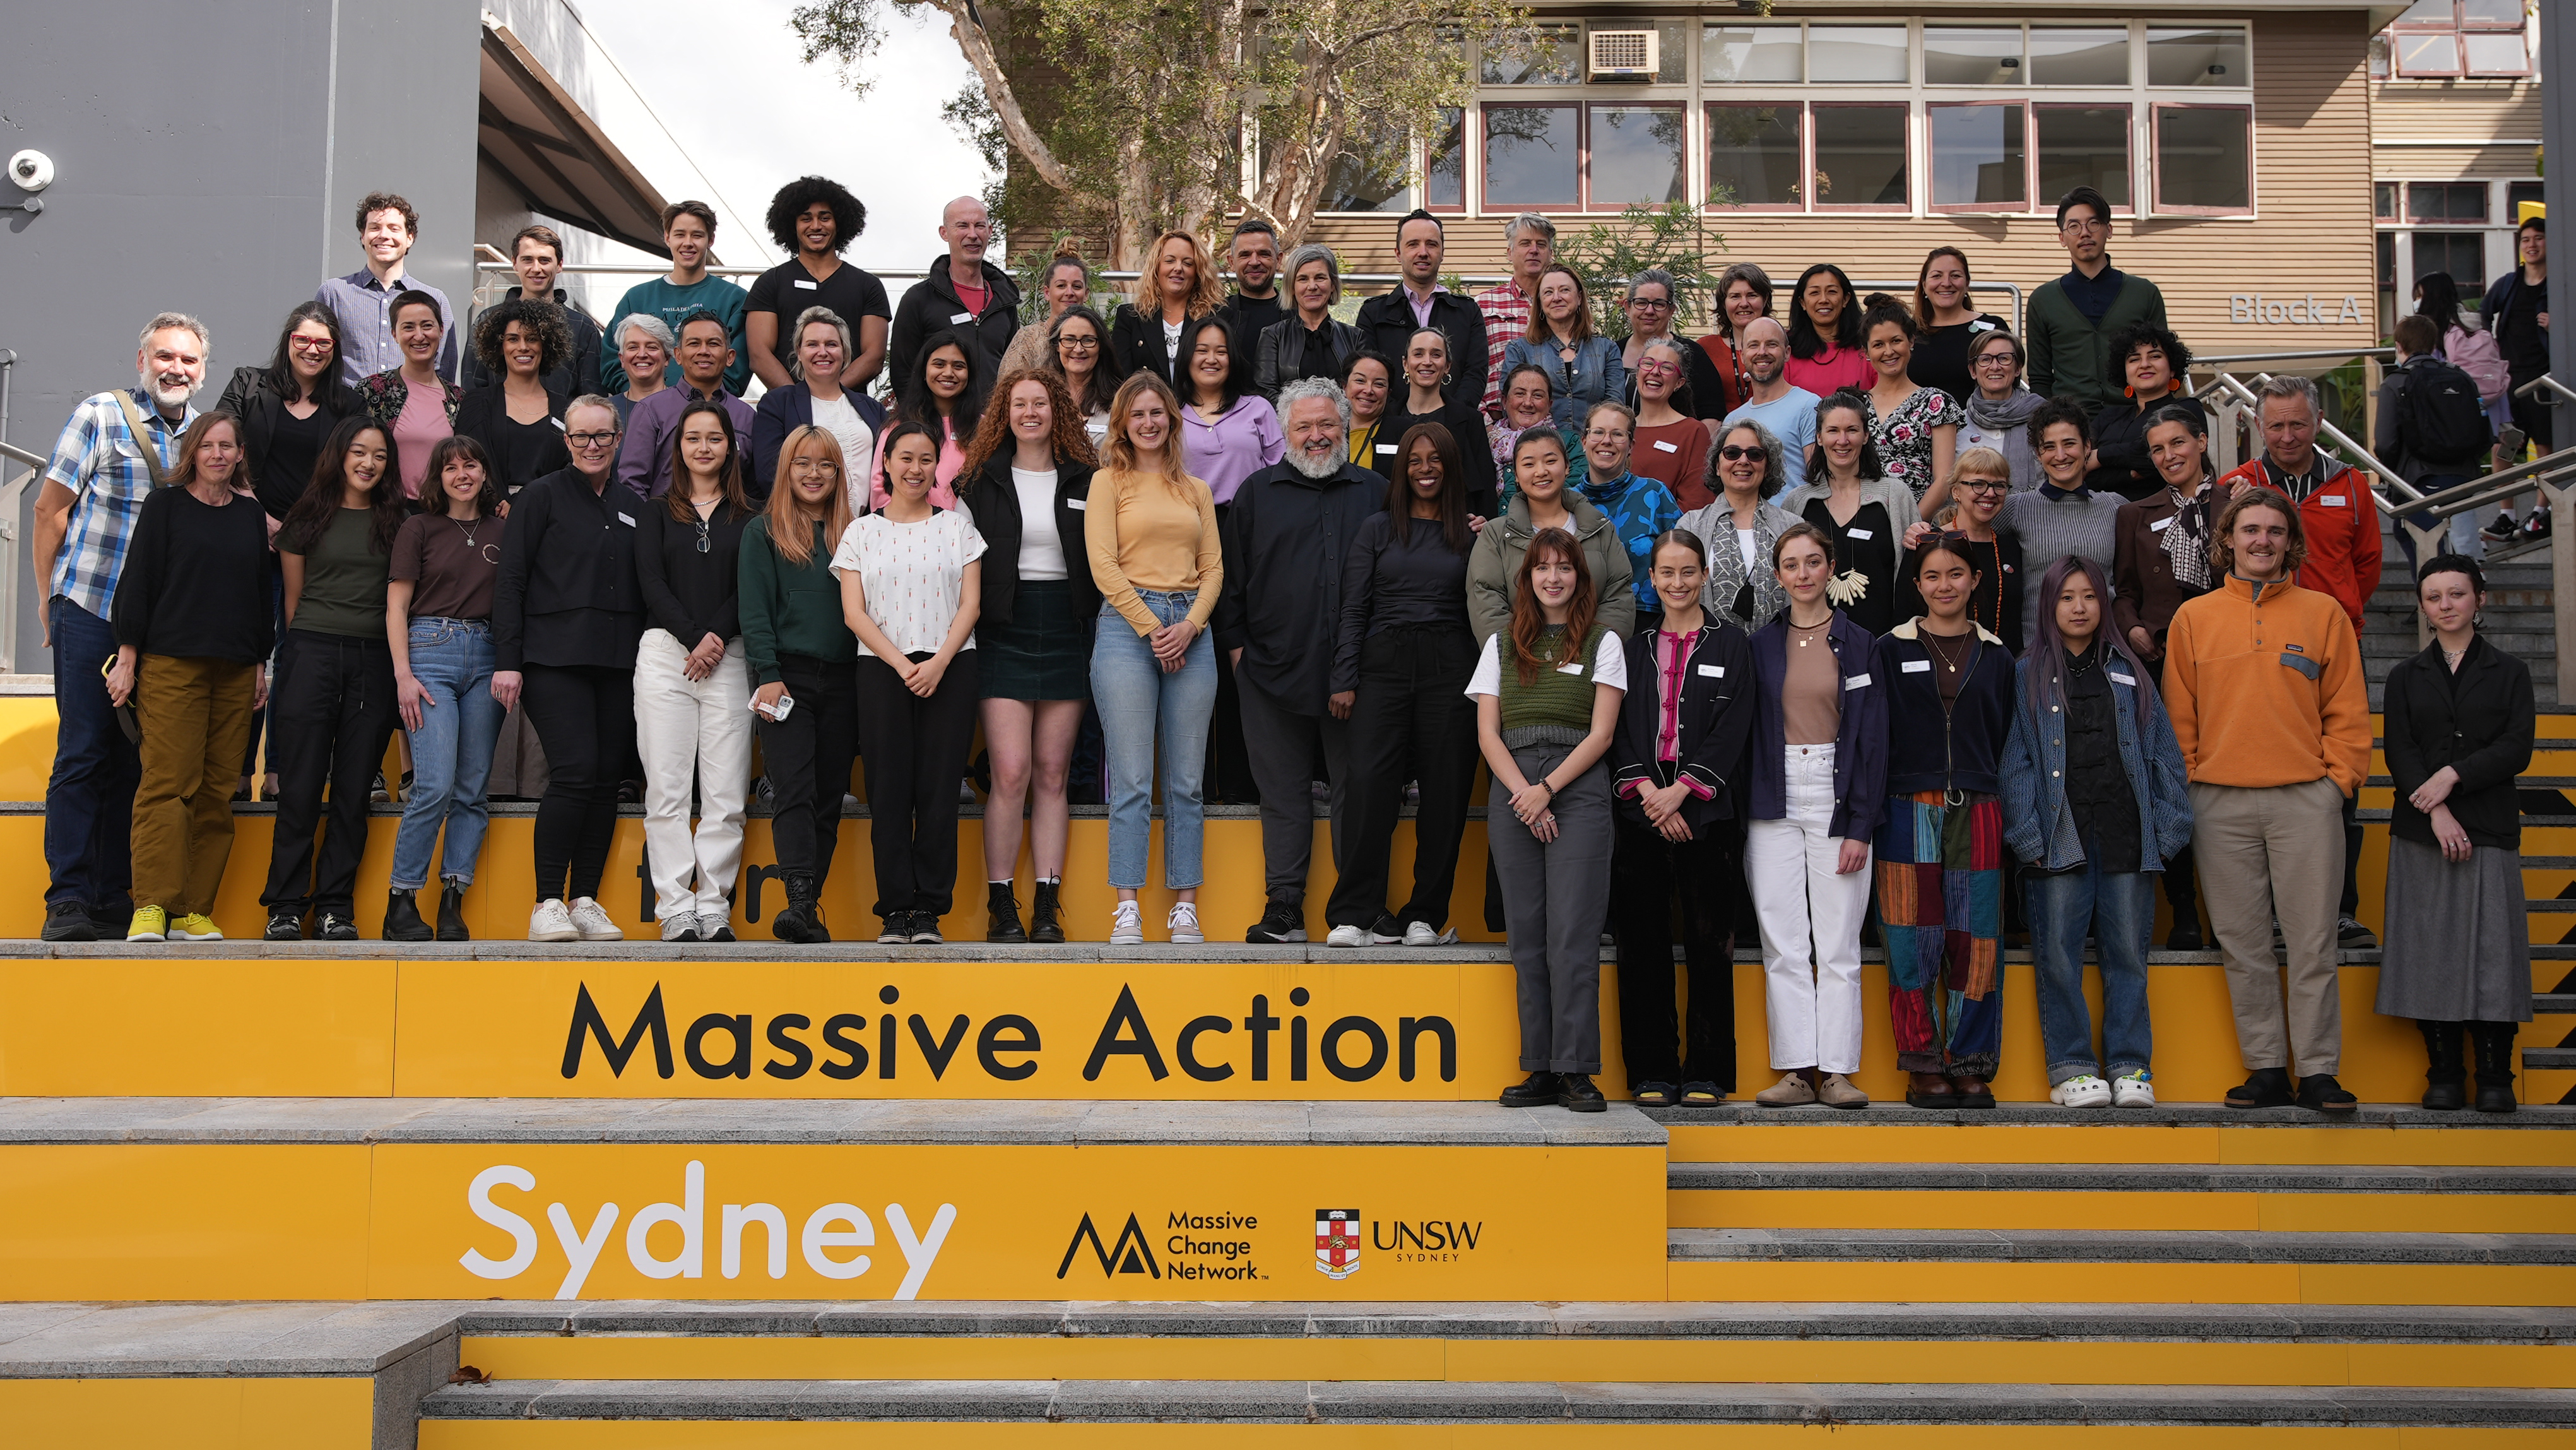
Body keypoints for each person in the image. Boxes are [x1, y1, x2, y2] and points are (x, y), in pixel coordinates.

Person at [2164, 487, 2372, 1114]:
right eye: (2249, 530)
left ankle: (2316, 1071)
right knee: (2243, 942)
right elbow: (2179, 716)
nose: (2261, 540)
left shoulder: (2323, 613)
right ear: (2225, 539)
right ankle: (2264, 1068)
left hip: (2304, 802)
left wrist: (2335, 782)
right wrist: (2195, 779)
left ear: (2289, 541)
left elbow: (2347, 712)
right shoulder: (2193, 618)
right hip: (2219, 804)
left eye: (2273, 531)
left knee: (2311, 942)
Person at [35, 314, 210, 941]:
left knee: (140, 762)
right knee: (83, 753)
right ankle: (70, 898)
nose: (176, 369)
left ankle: (114, 895)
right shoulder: (100, 415)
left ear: (202, 370)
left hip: (162, 628)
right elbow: (50, 510)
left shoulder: (205, 437)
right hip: (90, 607)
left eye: (188, 361)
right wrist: (47, 597)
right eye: (165, 356)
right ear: (142, 361)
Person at [2001, 554, 2191, 1110]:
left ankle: (2132, 1064)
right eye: (2067, 597)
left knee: (2127, 956)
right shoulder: (2026, 670)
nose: (2079, 607)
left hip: (2128, 833)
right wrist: (2029, 837)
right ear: (2049, 604)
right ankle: (2074, 1067)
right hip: (2059, 837)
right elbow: (2015, 763)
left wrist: (2172, 825)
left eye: (2089, 596)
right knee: (2058, 957)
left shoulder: (2130, 667)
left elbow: (2163, 753)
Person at [2213, 374, 2384, 949]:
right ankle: (2271, 916)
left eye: (2299, 423)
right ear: (2259, 425)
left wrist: (2340, 615)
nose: (2287, 435)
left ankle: (2340, 908)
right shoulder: (2238, 484)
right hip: (2257, 643)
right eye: (2277, 424)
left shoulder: (2350, 483)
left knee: (2340, 784)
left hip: (2332, 646)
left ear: (2317, 424)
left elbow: (2367, 565)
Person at [1219, 378, 1382, 944]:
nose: (1316, 436)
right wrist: (1240, 657)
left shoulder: (1377, 491)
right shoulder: (1256, 493)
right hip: (1268, 672)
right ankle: (1284, 908)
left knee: (1356, 792)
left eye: (1326, 425)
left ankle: (1356, 909)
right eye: (1304, 427)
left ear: (1345, 426)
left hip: (1357, 676)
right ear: (1285, 433)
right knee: (1283, 795)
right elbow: (1232, 582)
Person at [1475, 527, 1627, 1114]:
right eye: (1543, 568)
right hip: (1515, 790)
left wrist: (1548, 790)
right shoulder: (1501, 645)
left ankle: (1576, 1070)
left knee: (1573, 935)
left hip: (1577, 787)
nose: (1554, 577)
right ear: (1528, 577)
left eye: (1564, 567)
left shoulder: (1602, 642)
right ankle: (1538, 1065)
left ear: (1579, 577)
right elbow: (1488, 732)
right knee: (1528, 938)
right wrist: (1524, 794)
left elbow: (1604, 733)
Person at [107, 412, 273, 944]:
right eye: (209, 445)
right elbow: (138, 582)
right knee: (167, 785)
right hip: (172, 665)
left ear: (241, 454)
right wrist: (128, 657)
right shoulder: (166, 505)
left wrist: (258, 665)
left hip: (234, 669)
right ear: (192, 452)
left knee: (219, 790)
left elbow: (255, 596)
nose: (219, 455)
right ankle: (153, 905)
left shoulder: (250, 515)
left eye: (228, 446)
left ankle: (193, 910)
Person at [2379, 556, 2536, 1114]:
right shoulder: (2404, 676)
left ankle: (2496, 1074)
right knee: (2430, 951)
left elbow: (2518, 745)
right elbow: (2400, 750)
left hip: (2490, 825)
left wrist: (2454, 776)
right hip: (2423, 832)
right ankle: (2443, 1070)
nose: (2446, 605)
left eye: (2457, 594)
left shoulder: (2511, 671)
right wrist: (2437, 810)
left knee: (2496, 951)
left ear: (2480, 599)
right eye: (2434, 596)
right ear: (2423, 606)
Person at [1609, 530, 1755, 1106]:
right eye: (1666, 573)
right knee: (1641, 944)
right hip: (1641, 810)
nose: (1677, 583)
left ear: (1704, 575)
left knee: (1708, 944)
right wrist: (1650, 792)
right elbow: (1615, 728)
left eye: (1688, 572)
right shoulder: (1631, 646)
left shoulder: (1732, 645)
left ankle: (1707, 1071)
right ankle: (1650, 1069)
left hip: (1707, 812)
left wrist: (1685, 793)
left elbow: (1734, 728)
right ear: (1652, 579)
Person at [492, 395, 644, 944]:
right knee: (576, 771)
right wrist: (507, 661)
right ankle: (547, 902)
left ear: (618, 437)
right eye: (581, 436)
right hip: (552, 657)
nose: (592, 446)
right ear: (567, 440)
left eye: (602, 436)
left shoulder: (634, 504)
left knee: (605, 781)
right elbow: (509, 581)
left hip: (618, 660)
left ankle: (585, 901)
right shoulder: (540, 497)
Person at [1745, 522, 1887, 1109]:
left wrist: (1860, 824)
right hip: (1773, 798)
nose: (1803, 574)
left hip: (1837, 794)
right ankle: (1797, 1071)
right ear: (1779, 576)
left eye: (1813, 562)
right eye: (1791, 565)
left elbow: (1874, 739)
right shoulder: (1759, 645)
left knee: (1837, 945)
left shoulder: (1862, 644)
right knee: (1783, 943)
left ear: (1831, 569)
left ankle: (1837, 1072)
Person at [956, 369, 1100, 944]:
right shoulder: (979, 481)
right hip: (1002, 627)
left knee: (1052, 772)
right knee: (1010, 771)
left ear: (1057, 409)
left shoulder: (1088, 480)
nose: (1031, 412)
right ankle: (1001, 903)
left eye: (1042, 402)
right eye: (1020, 403)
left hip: (1067, 624)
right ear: (1005, 412)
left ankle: (1046, 901)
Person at [1872, 535, 2016, 1108]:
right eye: (1932, 576)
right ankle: (1923, 1063)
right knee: (1911, 940)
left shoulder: (1999, 655)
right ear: (1917, 584)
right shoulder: (1888, 649)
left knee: (1977, 940)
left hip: (1978, 807)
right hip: (1907, 807)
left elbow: (2008, 735)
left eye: (1956, 574)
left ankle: (1971, 1062)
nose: (1945, 585)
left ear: (1975, 580)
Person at [1326, 420, 1481, 948]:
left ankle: (1424, 916)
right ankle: (1355, 912)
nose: (1425, 469)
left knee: (1446, 791)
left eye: (1435, 459)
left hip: (1451, 667)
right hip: (1383, 664)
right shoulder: (1377, 528)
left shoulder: (1471, 533)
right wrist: (1344, 676)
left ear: (1450, 465)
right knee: (1370, 785)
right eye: (1415, 460)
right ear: (1402, 468)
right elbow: (1354, 608)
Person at [834, 421, 986, 944]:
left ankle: (929, 910)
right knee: (890, 791)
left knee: (939, 791)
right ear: (887, 465)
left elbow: (971, 604)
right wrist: (903, 666)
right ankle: (895, 909)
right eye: (905, 458)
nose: (916, 468)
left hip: (951, 665)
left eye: (926, 459)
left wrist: (940, 662)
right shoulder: (861, 531)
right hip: (882, 669)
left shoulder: (957, 528)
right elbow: (854, 613)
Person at [1089, 371, 1224, 946]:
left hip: (1192, 625)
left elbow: (1214, 567)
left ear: (1171, 420)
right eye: (1138, 414)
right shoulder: (1107, 483)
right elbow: (1103, 563)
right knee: (1134, 778)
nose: (1149, 423)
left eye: (1158, 413)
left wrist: (1188, 627)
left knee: (1187, 781)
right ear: (1123, 423)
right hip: (1126, 626)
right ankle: (1128, 905)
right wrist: (1152, 629)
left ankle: (1185, 904)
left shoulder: (1196, 488)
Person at [263, 417, 406, 941]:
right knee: (299, 786)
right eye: (359, 452)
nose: (369, 463)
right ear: (340, 455)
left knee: (352, 792)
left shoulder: (398, 520)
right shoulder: (308, 516)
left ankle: (334, 905)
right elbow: (294, 602)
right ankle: (283, 904)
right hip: (312, 653)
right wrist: (299, 656)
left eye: (380, 456)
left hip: (373, 661)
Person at [631, 400, 758, 943]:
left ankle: (714, 904)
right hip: (666, 655)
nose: (703, 447)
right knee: (667, 789)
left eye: (714, 438)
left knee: (726, 793)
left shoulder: (751, 516)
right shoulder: (655, 512)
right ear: (678, 448)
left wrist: (713, 639)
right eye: (693, 438)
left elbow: (748, 590)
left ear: (731, 446)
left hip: (728, 657)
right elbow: (650, 583)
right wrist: (693, 637)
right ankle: (676, 906)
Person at [382, 435, 507, 943]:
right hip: (428, 652)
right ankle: (402, 900)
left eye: (471, 465)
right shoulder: (419, 527)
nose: (462, 474)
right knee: (433, 784)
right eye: (450, 467)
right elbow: (395, 606)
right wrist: (403, 675)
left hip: (486, 654)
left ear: (483, 473)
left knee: (472, 789)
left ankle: (453, 898)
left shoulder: (505, 527)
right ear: (437, 476)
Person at [740, 426, 861, 944]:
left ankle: (808, 907)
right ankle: (797, 900)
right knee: (794, 790)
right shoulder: (763, 532)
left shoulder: (858, 532)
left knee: (830, 795)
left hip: (846, 680)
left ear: (839, 474)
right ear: (786, 470)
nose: (814, 474)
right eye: (802, 464)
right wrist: (768, 675)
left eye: (825, 465)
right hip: (786, 678)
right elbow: (755, 611)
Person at [2108, 405, 2216, 949]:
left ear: (2201, 441)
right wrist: (2131, 630)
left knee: (2220, 785)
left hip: (2223, 664)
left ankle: (2229, 910)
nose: (2169, 456)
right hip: (2158, 662)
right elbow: (2123, 590)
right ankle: (2185, 910)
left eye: (2178, 443)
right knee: (2170, 782)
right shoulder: (2135, 512)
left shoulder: (2233, 502)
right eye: (2157, 449)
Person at [1926, 398, 2123, 646]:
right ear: (2038, 454)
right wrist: (1925, 532)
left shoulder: (2114, 507)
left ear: (2087, 447)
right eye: (2049, 447)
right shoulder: (2017, 507)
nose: (2060, 455)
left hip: (2102, 646)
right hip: (2037, 650)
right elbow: (1967, 535)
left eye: (2069, 444)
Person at [1469, 427, 1636, 646]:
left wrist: (1595, 651)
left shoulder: (1600, 528)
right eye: (1529, 464)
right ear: (1517, 476)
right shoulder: (1495, 534)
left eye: (1550, 461)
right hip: (1521, 663)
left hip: (1590, 662)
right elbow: (1486, 602)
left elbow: (1618, 596)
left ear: (1567, 467)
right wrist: (1516, 655)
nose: (1541, 472)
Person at [1776, 391, 1913, 637]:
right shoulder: (1797, 502)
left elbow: (1914, 573)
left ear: (1866, 436)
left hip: (1884, 641)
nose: (1843, 440)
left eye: (1852, 430)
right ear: (1818, 437)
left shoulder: (1895, 495)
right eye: (1833, 431)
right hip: (1812, 642)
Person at [2027, 186, 2169, 416]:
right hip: (2071, 423)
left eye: (2093, 224)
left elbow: (2164, 362)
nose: (2084, 233)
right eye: (2074, 227)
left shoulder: (2144, 293)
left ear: (2109, 230)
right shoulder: (2043, 300)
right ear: (2062, 238)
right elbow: (2040, 377)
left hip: (2136, 418)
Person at [216, 302, 363, 520]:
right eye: (303, 340)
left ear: (335, 349)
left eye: (323, 343)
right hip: (242, 520)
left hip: (317, 531)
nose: (312, 350)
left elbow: (354, 474)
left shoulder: (351, 405)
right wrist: (259, 517)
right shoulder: (247, 384)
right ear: (288, 341)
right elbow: (220, 448)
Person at [746, 175, 889, 392]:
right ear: (791, 225)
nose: (815, 226)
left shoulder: (868, 285)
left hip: (849, 411)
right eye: (806, 218)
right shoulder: (769, 283)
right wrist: (798, 399)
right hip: (786, 411)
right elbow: (759, 355)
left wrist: (830, 396)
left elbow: (874, 357)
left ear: (839, 222)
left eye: (825, 218)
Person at [2378, 313, 2493, 566]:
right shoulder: (2461, 377)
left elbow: (2385, 443)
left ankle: (2431, 599)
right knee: (2463, 541)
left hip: (2418, 479)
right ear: (2433, 345)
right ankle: (2469, 587)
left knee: (2418, 539)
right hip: (2464, 476)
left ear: (2399, 346)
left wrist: (2394, 472)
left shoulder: (2396, 382)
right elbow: (2485, 431)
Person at [602, 201, 750, 396]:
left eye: (697, 235)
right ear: (667, 237)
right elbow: (611, 362)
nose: (688, 243)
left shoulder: (734, 299)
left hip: (707, 414)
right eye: (680, 234)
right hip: (642, 412)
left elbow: (736, 372)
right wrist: (644, 401)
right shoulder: (636, 298)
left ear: (710, 240)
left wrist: (695, 404)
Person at [317, 191, 459, 385]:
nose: (384, 235)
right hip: (345, 411)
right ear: (363, 236)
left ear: (410, 238)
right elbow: (316, 357)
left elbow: (444, 371)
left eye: (394, 229)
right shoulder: (333, 293)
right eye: (375, 228)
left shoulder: (435, 299)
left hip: (412, 412)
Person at [749, 306, 885, 508]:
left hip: (867, 529)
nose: (823, 352)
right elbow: (769, 474)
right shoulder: (778, 404)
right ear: (799, 352)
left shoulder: (873, 408)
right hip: (805, 526)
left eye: (831, 344)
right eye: (812, 345)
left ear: (844, 351)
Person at [1354, 210, 1486, 407]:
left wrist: (1452, 418)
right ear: (1398, 253)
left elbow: (1476, 373)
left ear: (1442, 253)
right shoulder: (1373, 314)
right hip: (1392, 429)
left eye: (1431, 244)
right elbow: (1370, 375)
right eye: (1413, 244)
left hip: (1454, 429)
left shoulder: (1468, 312)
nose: (1423, 252)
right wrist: (1400, 420)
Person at [618, 311, 755, 499]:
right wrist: (651, 526)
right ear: (678, 355)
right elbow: (632, 483)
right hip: (665, 525)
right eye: (694, 343)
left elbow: (754, 488)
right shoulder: (651, 410)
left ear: (730, 356)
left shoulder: (747, 417)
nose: (704, 351)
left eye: (713, 344)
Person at [1682, 419, 1800, 634]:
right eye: (1732, 453)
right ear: (1718, 466)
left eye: (1755, 454)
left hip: (1778, 651)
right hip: (1710, 652)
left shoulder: (1792, 527)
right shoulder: (1691, 525)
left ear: (1767, 466)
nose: (1743, 461)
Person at [1903, 448, 2024, 656]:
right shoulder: (1929, 543)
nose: (1990, 493)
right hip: (1938, 667)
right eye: (1978, 484)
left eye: (1999, 485)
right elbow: (1905, 614)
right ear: (1956, 491)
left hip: (2002, 670)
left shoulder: (2011, 547)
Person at [889, 196, 1019, 386]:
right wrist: (921, 416)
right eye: (962, 226)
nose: (973, 234)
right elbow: (903, 372)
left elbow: (1012, 370)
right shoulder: (919, 299)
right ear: (944, 233)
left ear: (990, 232)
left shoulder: (1004, 301)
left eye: (980, 226)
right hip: (937, 416)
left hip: (994, 416)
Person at [462, 225, 603, 398]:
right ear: (514, 263)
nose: (536, 268)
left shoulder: (583, 328)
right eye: (528, 260)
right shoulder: (487, 321)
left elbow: (592, 398)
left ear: (559, 265)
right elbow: (472, 389)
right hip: (495, 424)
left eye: (544, 260)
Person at [1573, 401, 1680, 628]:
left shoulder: (1654, 494)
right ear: (1584, 441)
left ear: (1631, 445)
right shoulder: (1567, 501)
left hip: (1646, 622)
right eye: (1598, 432)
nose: (1607, 441)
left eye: (1618, 434)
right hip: (1578, 620)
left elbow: (1682, 559)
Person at [454, 297, 572, 494]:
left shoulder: (564, 409)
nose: (523, 347)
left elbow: (568, 472)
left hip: (547, 516)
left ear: (546, 345)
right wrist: (500, 503)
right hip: (489, 516)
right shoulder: (478, 403)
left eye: (532, 338)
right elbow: (466, 462)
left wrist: (524, 505)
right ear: (500, 346)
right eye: (513, 339)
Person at [355, 290, 458, 500]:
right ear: (394, 334)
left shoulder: (458, 399)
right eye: (408, 327)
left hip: (441, 513)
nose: (419, 336)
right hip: (386, 512)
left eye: (427, 326)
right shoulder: (373, 390)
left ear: (441, 330)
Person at [1383, 328, 1499, 514]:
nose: (1427, 362)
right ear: (1406, 363)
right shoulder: (1386, 419)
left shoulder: (1470, 420)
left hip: (1457, 528)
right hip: (1397, 528)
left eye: (1436, 355)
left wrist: (1486, 525)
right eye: (1418, 354)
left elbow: (1485, 485)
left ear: (1447, 366)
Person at [1859, 294, 1963, 502]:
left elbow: (1944, 479)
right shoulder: (1856, 405)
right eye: (1879, 345)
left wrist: (1910, 526)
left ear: (1911, 341)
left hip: (1919, 524)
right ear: (1867, 352)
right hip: (1863, 520)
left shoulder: (1936, 402)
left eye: (1896, 341)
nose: (1889, 351)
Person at [1176, 314, 1284, 508]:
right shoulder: (1169, 415)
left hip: (1250, 523)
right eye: (1201, 350)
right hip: (1187, 525)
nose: (1211, 359)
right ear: (1187, 356)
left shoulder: (1258, 408)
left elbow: (1280, 473)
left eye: (1221, 352)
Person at [1502, 264, 1623, 431]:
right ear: (1540, 302)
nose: (1556, 298)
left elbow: (1615, 406)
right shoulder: (1519, 350)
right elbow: (1512, 407)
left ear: (1579, 297)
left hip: (1592, 449)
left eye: (1565, 290)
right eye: (1548, 292)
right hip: (1539, 450)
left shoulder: (1607, 349)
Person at [873, 328, 983, 509]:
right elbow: (880, 487)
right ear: (924, 371)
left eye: (958, 366)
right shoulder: (899, 427)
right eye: (939, 364)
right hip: (908, 531)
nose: (948, 373)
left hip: (971, 533)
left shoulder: (986, 428)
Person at [2085, 323, 2193, 501]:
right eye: (2134, 359)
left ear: (2172, 368)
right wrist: (2130, 475)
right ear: (2125, 372)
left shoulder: (2186, 408)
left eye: (2155, 356)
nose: (2144, 364)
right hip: (2102, 519)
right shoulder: (2107, 417)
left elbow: (2154, 456)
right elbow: (2080, 469)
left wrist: (2099, 456)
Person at [1109, 229, 1225, 386]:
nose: (1178, 268)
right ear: (1156, 267)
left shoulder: (1218, 316)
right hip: (1147, 408)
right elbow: (1122, 378)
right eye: (1170, 261)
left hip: (1201, 409)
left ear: (1198, 272)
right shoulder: (1130, 317)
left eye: (1188, 263)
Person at [1720, 318, 1820, 490]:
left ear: (1787, 353)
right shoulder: (1733, 419)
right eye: (1753, 345)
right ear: (1742, 356)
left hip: (1795, 516)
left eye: (1772, 344)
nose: (1762, 352)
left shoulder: (1809, 405)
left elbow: (1818, 478)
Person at [1255, 243, 1363, 398]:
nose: (1312, 286)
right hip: (1288, 422)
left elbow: (1361, 391)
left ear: (1333, 285)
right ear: (1292, 287)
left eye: (1320, 278)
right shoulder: (1273, 336)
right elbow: (1266, 393)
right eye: (1303, 279)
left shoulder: (1355, 338)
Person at [1620, 270, 1728, 423]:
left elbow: (1712, 416)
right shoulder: (1612, 352)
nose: (1649, 311)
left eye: (1659, 304)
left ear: (1671, 311)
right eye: (1642, 303)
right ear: (1628, 307)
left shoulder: (1692, 354)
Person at [1476, 212, 1555, 417]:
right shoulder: (1484, 304)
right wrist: (1485, 423)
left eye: (1541, 244)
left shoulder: (1562, 305)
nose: (1534, 250)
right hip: (1494, 420)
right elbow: (1466, 369)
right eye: (1525, 243)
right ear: (1510, 252)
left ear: (1551, 253)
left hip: (1553, 426)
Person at [1908, 247, 2009, 405]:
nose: (1947, 283)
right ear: (1924, 284)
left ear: (1967, 283)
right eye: (1937, 276)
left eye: (1955, 276)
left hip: (1981, 426)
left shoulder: (1992, 328)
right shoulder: (1908, 332)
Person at [1628, 338, 1714, 508]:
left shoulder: (1693, 432)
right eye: (1648, 363)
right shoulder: (1620, 430)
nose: (1655, 372)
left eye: (1667, 367)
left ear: (1679, 383)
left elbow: (1697, 502)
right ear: (1638, 372)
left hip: (1666, 532)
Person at [1956, 330, 2044, 492]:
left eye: (2004, 358)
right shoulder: (1957, 425)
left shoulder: (2044, 418)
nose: (1995, 367)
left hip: (2036, 514)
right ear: (1973, 371)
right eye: (1985, 360)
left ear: (2018, 368)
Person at [1001, 246, 1096, 379]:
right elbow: (1007, 388)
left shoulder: (1096, 338)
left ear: (1086, 294)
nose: (1069, 293)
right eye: (1061, 286)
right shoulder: (1029, 339)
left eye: (1077, 286)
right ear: (1047, 293)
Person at [1492, 362, 1581, 503]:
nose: (1528, 403)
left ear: (1550, 405)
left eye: (1538, 396)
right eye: (1520, 394)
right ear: (1504, 401)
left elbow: (1576, 490)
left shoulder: (1569, 443)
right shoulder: (1486, 444)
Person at [1696, 262, 1775, 420]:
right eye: (1735, 296)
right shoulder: (1704, 349)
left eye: (1752, 295)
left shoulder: (1783, 346)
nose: (1744, 303)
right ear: (1724, 303)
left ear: (1765, 299)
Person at [1785, 264, 1870, 398]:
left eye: (1832, 292)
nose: (1824, 300)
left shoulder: (1868, 345)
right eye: (1814, 293)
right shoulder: (1786, 349)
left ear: (1846, 299)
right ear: (1802, 302)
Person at [1217, 217, 1287, 367]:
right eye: (1245, 255)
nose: (1254, 262)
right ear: (1231, 262)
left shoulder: (1298, 317)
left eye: (1264, 254)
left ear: (1279, 260)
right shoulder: (1217, 316)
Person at [1045, 304, 1116, 448]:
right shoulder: (1041, 396)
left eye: (1088, 340)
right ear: (1057, 346)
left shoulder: (1120, 401)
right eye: (1069, 340)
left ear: (1101, 346)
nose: (1078, 349)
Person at [1342, 350, 1398, 477]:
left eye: (1379, 384)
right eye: (1360, 381)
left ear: (1388, 393)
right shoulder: (1326, 431)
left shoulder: (1404, 433)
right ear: (1345, 386)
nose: (1368, 390)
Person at [610, 316, 675, 426]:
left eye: (652, 347)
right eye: (633, 347)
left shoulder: (686, 408)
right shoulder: (605, 410)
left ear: (667, 358)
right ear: (622, 359)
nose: (642, 354)